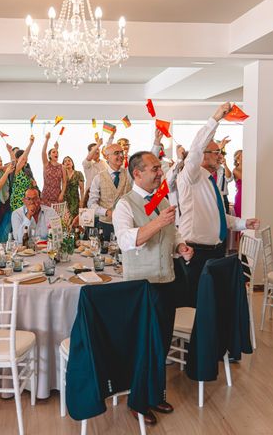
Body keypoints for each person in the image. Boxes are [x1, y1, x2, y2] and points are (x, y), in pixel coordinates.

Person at [112, 150, 193, 425]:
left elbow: (173, 232)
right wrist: (158, 222)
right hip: (141, 286)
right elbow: (125, 240)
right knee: (143, 345)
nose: (161, 173)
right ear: (137, 173)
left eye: (160, 168)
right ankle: (137, 401)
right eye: (155, 169)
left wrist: (180, 246)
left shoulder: (161, 199)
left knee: (161, 342)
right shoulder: (124, 205)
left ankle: (155, 394)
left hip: (166, 281)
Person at [177, 103, 259, 295]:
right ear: (203, 157)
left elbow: (218, 216)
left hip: (214, 250)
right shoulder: (191, 176)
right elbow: (196, 148)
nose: (220, 156)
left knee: (210, 302)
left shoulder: (208, 178)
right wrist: (215, 119)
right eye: (216, 153)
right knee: (195, 302)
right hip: (196, 251)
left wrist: (243, 223)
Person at [87, 143, 132, 241]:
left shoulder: (129, 174)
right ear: (107, 157)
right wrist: (106, 212)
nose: (121, 156)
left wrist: (156, 143)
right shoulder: (98, 178)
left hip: (126, 224)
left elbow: (145, 169)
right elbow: (91, 204)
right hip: (105, 225)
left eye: (122, 153)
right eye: (117, 153)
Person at [8, 136, 36, 212]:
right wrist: (31, 143)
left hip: (26, 201)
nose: (26, 158)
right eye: (23, 156)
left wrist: (33, 184)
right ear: (17, 159)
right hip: (18, 202)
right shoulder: (16, 170)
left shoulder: (26, 170)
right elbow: (23, 159)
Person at [40, 132, 66, 206]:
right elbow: (43, 152)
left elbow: (64, 182)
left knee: (57, 217)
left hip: (57, 196)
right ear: (49, 155)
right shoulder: (46, 164)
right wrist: (47, 139)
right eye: (54, 152)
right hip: (45, 196)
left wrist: (62, 194)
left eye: (57, 152)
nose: (56, 153)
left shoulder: (62, 167)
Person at [232, 149, 243, 218]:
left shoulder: (250, 168)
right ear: (238, 158)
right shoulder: (236, 170)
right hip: (241, 197)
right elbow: (247, 180)